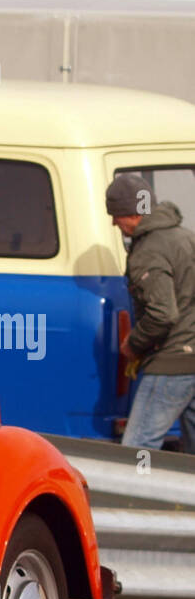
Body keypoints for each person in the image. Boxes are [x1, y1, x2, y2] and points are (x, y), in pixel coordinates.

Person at [106, 171, 195, 451]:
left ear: (130, 214)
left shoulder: (149, 251)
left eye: (116, 215)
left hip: (172, 362)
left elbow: (162, 314)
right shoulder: (184, 237)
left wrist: (133, 344)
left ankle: (132, 494)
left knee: (138, 447)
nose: (114, 222)